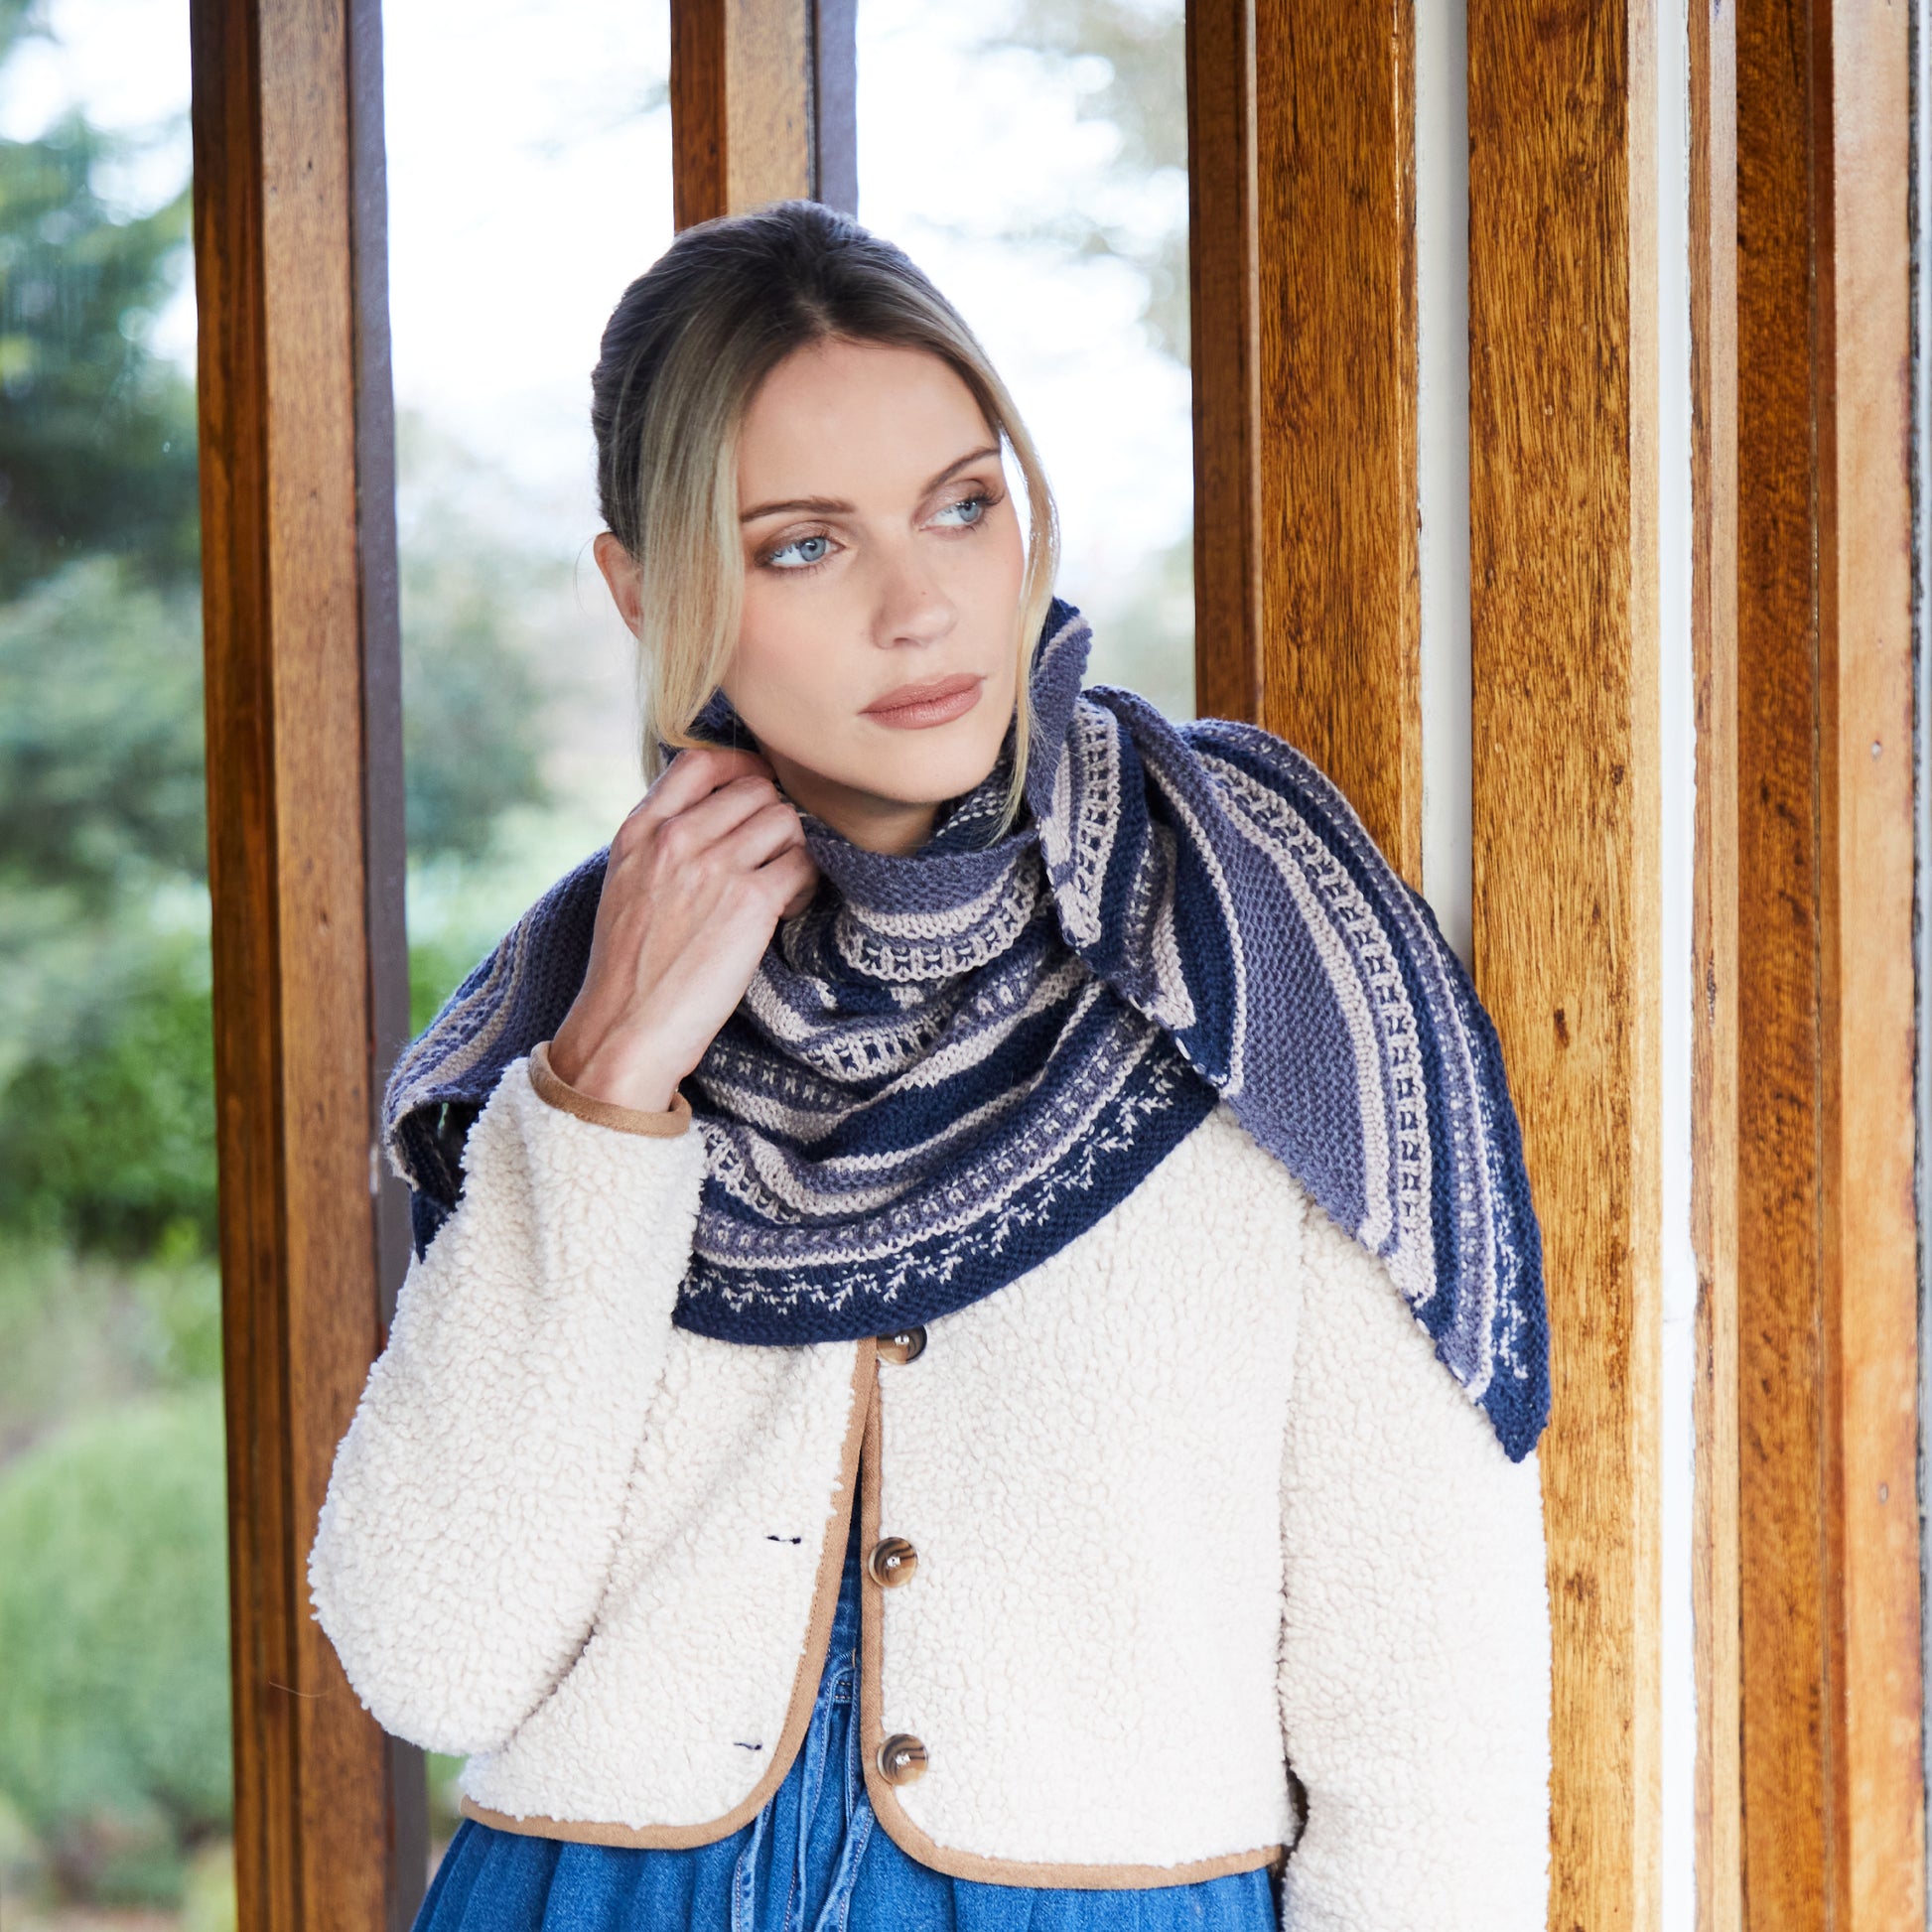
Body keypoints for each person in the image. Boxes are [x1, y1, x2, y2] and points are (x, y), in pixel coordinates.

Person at [309, 201, 1553, 1932]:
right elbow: (429, 1652)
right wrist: (605, 1084)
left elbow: (1429, 1703)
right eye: (802, 545)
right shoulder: (589, 988)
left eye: (962, 505)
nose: (920, 607)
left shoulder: (1260, 938)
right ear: (645, 590)